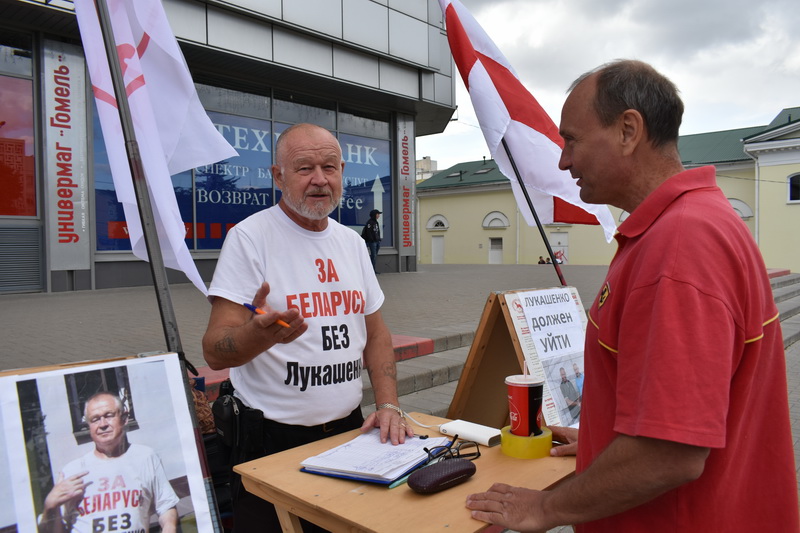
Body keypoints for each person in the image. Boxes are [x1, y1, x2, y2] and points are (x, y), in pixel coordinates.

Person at [465, 60, 799, 532]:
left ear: (628, 130)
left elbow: (668, 453)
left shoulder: (678, 248)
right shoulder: (692, 223)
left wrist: (545, 508)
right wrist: (601, 441)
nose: (563, 161)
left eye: (572, 140)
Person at [202, 123, 410, 532]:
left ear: (342, 172)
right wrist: (256, 336)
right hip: (270, 442)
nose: (319, 179)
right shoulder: (249, 238)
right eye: (304, 168)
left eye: (329, 167)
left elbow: (377, 334)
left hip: (349, 433)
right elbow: (214, 349)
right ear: (278, 176)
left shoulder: (352, 244)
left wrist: (387, 405)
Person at [39, 392, 179, 533]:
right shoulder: (72, 471)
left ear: (124, 419)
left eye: (109, 416)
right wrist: (50, 507)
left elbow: (165, 506)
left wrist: (169, 527)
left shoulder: (145, 457)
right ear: (89, 426)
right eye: (95, 419)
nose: (103, 424)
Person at [361, 209, 382, 273]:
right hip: (372, 242)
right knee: (373, 256)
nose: (379, 215)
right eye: (377, 214)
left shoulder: (376, 222)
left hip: (377, 241)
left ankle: (372, 270)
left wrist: (379, 239)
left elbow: (377, 231)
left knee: (374, 256)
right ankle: (371, 271)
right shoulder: (370, 222)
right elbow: (369, 232)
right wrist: (372, 240)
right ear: (374, 215)